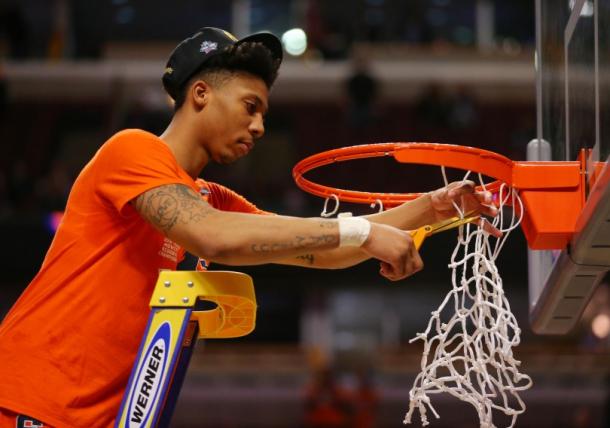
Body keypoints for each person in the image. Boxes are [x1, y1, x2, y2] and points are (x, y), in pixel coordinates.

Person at [0, 27, 498, 428]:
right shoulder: (132, 150)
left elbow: (322, 249)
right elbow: (214, 236)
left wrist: (434, 209)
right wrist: (363, 235)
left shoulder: (208, 197)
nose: (260, 127)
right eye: (249, 106)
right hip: (32, 399)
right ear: (200, 94)